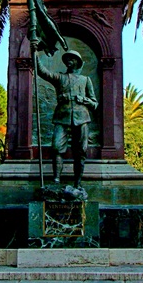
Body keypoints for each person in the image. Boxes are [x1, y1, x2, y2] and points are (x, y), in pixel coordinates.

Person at [36, 50, 98, 188]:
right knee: (57, 147)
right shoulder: (60, 78)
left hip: (81, 118)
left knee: (81, 151)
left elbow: (94, 103)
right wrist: (34, 53)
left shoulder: (85, 80)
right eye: (67, 58)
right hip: (62, 117)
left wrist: (84, 100)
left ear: (78, 62)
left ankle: (78, 183)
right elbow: (42, 72)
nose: (69, 60)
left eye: (72, 58)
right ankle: (56, 180)